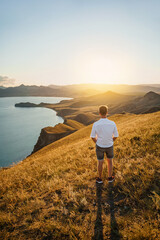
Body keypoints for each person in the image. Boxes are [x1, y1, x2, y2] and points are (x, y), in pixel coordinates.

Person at [90, 105, 119, 183]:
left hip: (100, 145)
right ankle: (110, 178)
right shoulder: (112, 123)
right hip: (109, 145)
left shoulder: (96, 124)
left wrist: (97, 142)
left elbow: (92, 137)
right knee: (110, 161)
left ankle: (99, 179)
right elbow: (116, 135)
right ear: (107, 112)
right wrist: (111, 141)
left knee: (100, 162)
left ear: (99, 113)